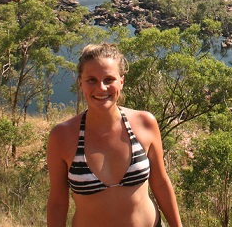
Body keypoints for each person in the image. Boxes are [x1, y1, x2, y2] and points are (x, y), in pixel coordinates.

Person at [47, 43, 183, 227]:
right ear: (80, 83)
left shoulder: (145, 123)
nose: (101, 88)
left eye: (109, 79)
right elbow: (57, 202)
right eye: (92, 80)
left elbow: (160, 183)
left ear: (122, 81)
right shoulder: (61, 136)